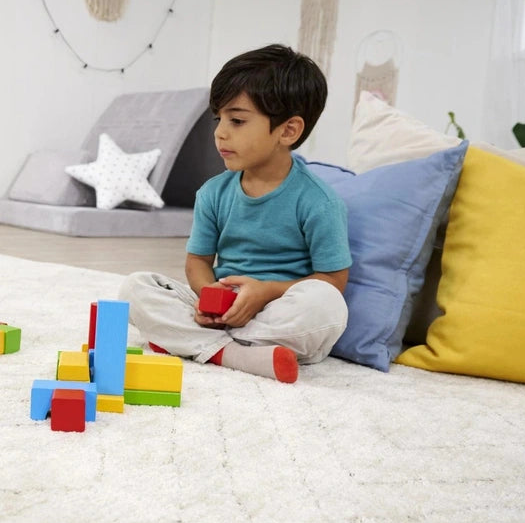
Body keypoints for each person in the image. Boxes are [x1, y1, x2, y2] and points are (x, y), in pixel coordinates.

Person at [117, 44, 351, 383]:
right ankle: (236, 354)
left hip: (277, 313)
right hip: (219, 311)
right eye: (220, 119)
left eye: (237, 120)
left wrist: (264, 293)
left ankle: (197, 345)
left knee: (324, 304)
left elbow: (333, 280)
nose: (220, 132)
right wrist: (206, 299)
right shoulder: (213, 193)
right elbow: (197, 263)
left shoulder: (319, 202)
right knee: (135, 288)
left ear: (288, 130)